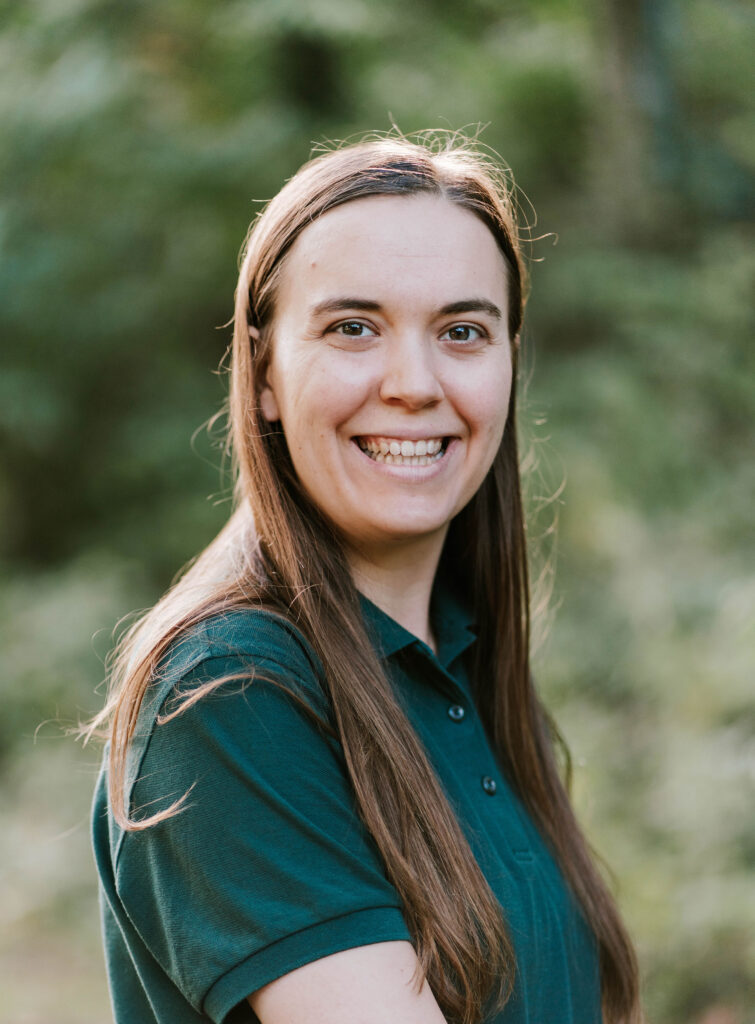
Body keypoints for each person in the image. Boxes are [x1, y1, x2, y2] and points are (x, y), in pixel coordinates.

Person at [87, 132, 642, 1024]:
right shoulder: (231, 697)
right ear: (264, 370)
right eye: (353, 328)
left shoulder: (463, 667)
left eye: (462, 331)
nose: (414, 384)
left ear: (507, 362)